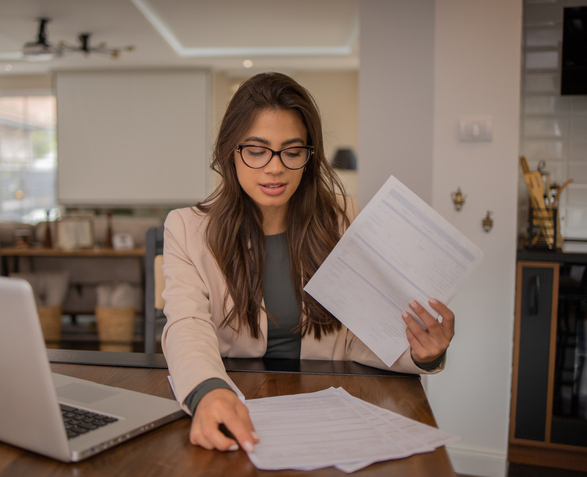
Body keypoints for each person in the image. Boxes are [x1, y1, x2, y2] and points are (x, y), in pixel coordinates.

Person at [161, 72, 454, 454]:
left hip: (329, 409)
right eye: (256, 149)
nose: (275, 167)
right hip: (235, 400)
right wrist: (207, 391)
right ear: (230, 151)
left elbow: (362, 336)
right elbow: (187, 325)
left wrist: (423, 353)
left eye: (292, 151)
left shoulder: (343, 217)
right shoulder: (187, 227)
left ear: (309, 156)